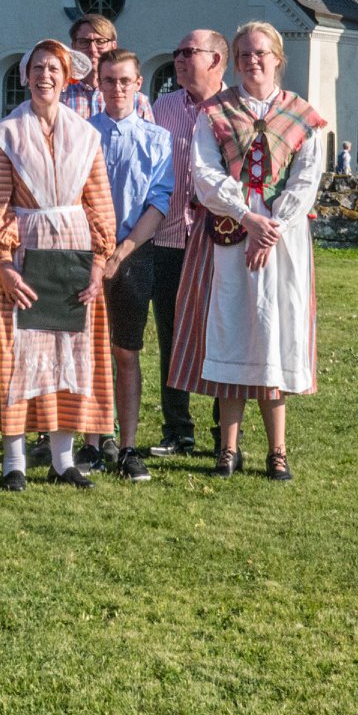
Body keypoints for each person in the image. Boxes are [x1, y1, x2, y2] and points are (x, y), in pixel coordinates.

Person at [170, 21, 326, 481]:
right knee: (231, 327)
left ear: (278, 58)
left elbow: (307, 179)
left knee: (275, 331)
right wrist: (248, 218)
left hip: (282, 238)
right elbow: (205, 174)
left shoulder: (302, 115)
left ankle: (277, 450)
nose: (252, 61)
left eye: (260, 53)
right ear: (233, 61)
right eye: (243, 55)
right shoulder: (215, 112)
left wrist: (272, 226)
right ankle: (229, 449)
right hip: (228, 232)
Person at [0, 39, 117, 491]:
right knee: (20, 354)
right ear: (25, 76)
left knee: (68, 353)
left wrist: (98, 264)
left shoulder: (86, 135)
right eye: (37, 68)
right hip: (25, 253)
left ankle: (63, 460)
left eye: (54, 68)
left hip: (75, 252)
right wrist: (2, 263)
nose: (46, 76)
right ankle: (13, 461)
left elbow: (99, 204)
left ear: (67, 75)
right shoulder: (5, 134)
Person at [86, 49, 174, 482]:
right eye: (109, 81)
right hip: (86, 254)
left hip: (135, 253)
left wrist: (121, 252)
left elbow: (158, 202)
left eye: (125, 81)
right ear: (98, 85)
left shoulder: (157, 140)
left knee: (126, 350)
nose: (117, 88)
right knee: (86, 350)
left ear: (139, 85)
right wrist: (98, 252)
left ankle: (128, 446)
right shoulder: (82, 134)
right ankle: (90, 440)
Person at [147, 29, 229, 458]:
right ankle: (177, 430)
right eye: (177, 51)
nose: (178, 59)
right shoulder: (163, 106)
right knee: (171, 337)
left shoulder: (234, 110)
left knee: (220, 335)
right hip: (169, 238)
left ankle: (224, 436)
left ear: (216, 60)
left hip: (220, 242)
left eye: (188, 52)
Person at [62, 14, 153, 120]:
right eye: (84, 42)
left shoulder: (136, 101)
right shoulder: (60, 95)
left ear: (113, 46)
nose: (92, 49)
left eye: (100, 42)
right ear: (73, 47)